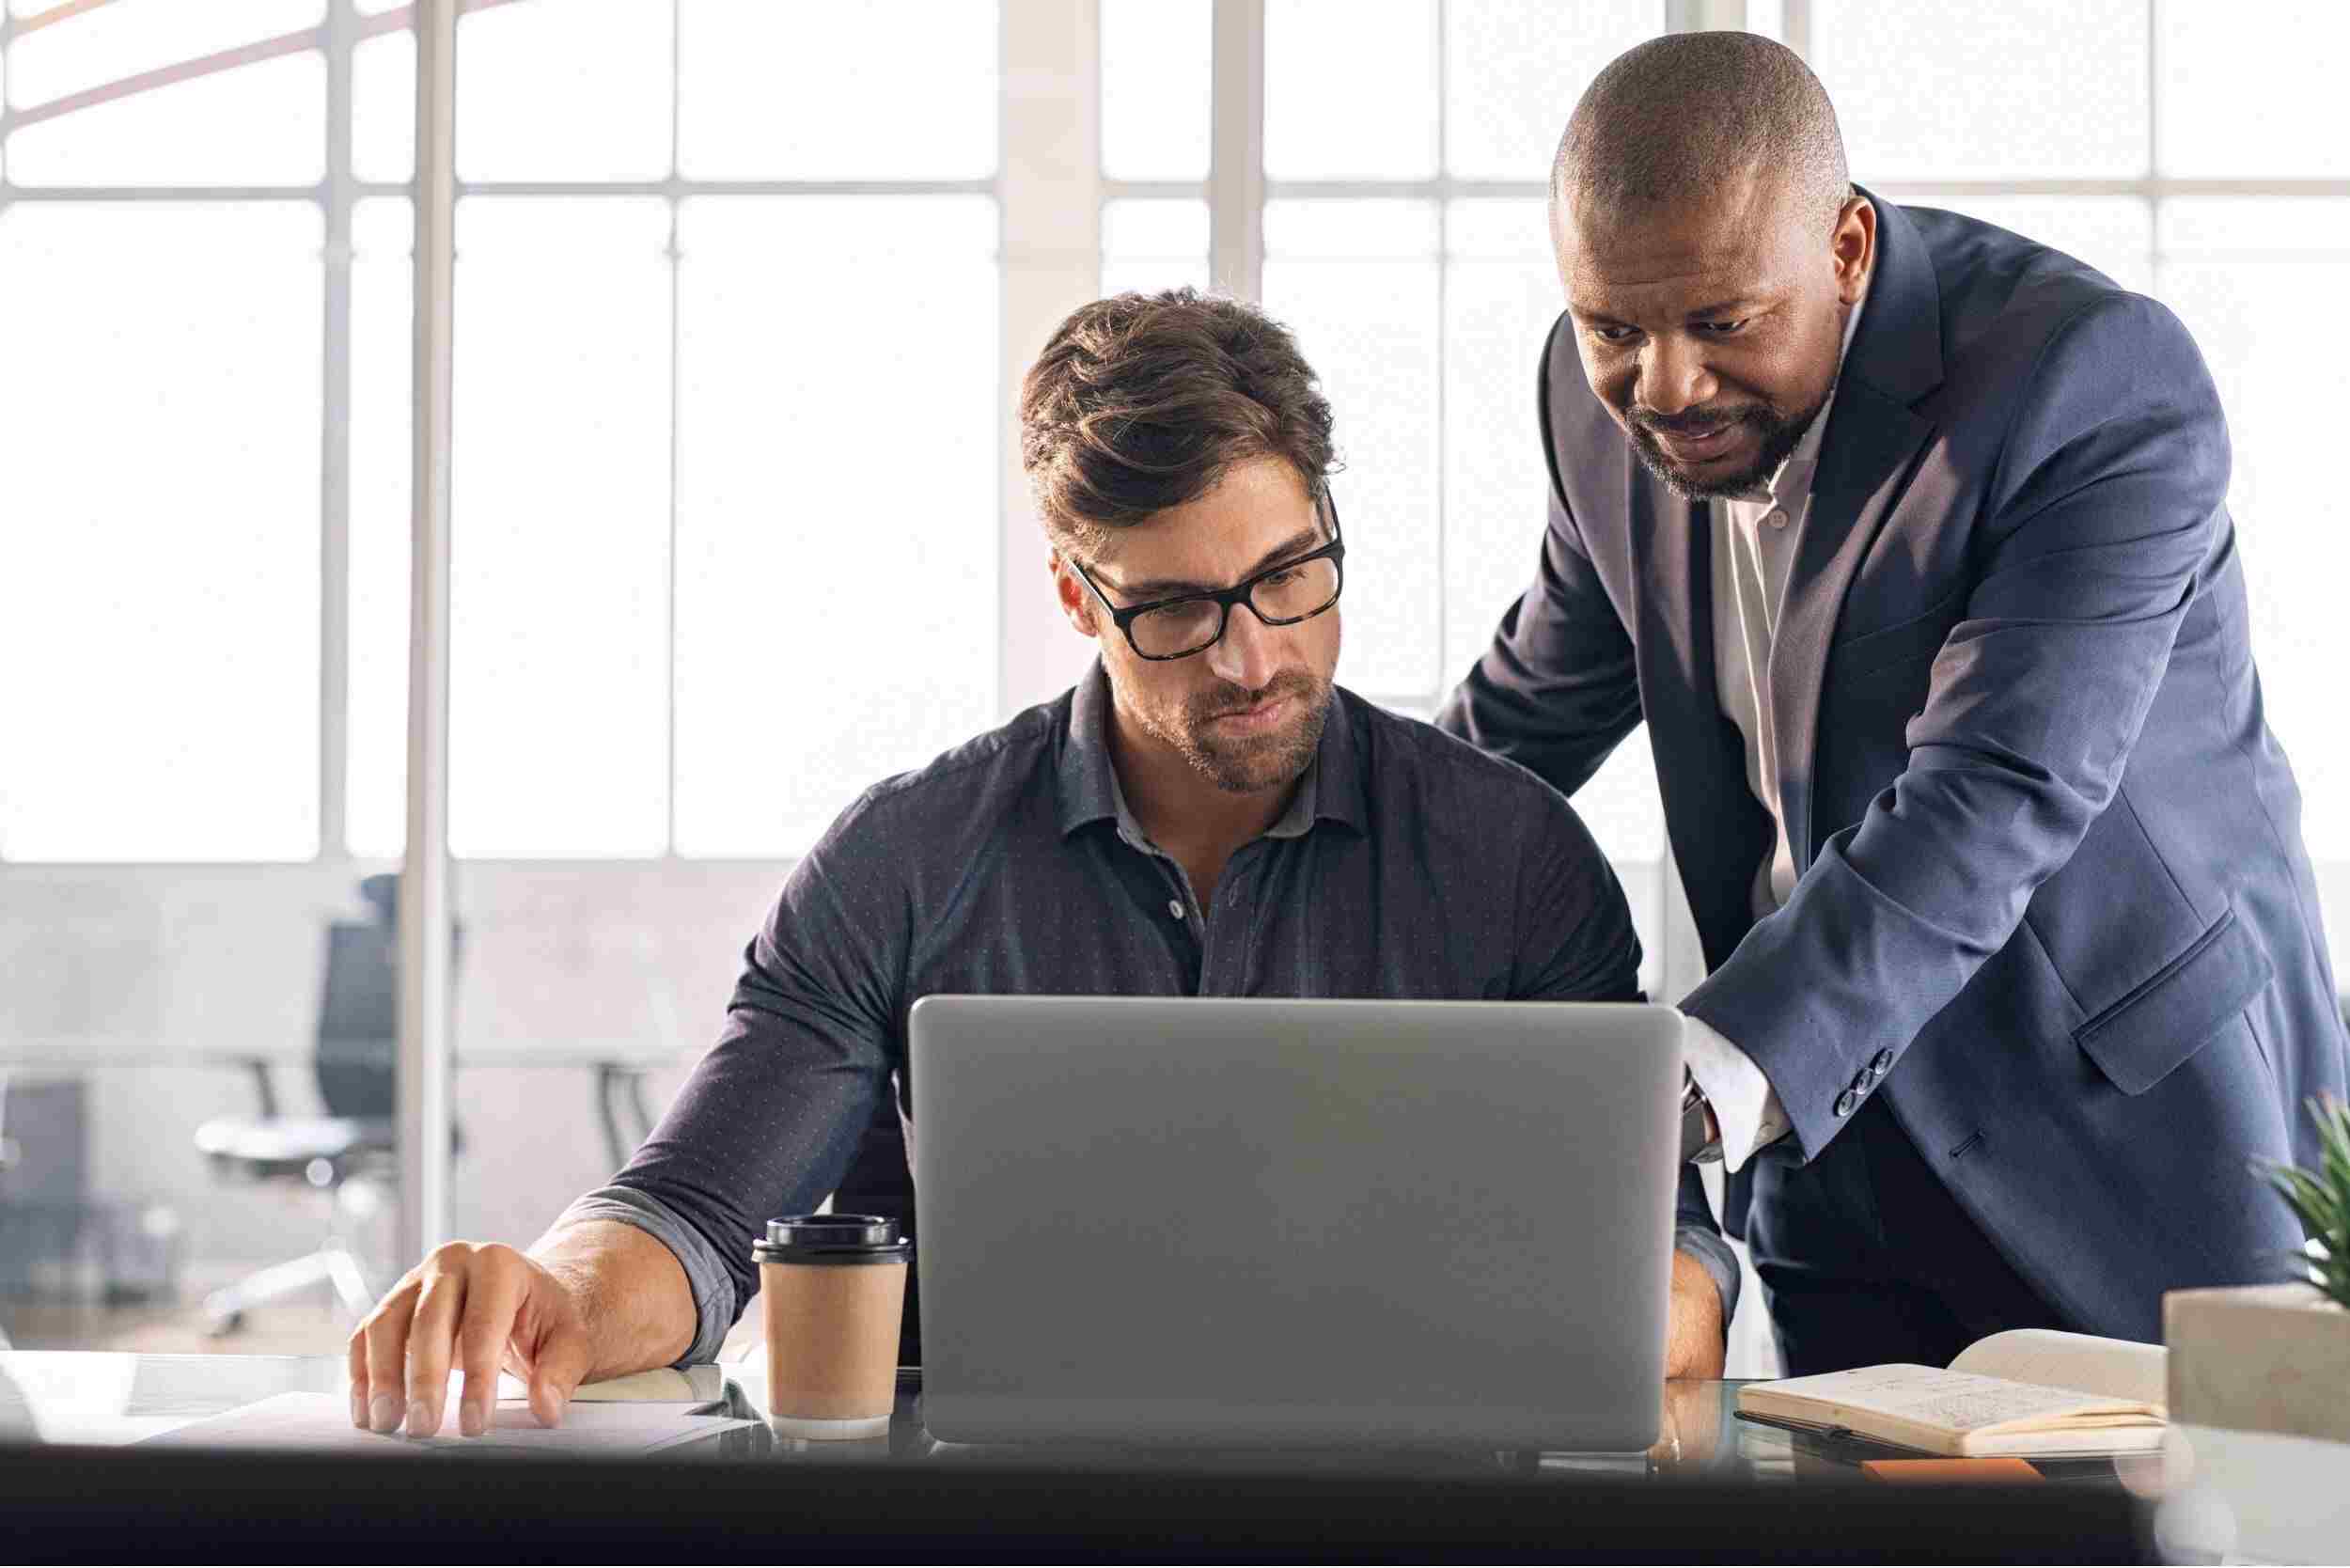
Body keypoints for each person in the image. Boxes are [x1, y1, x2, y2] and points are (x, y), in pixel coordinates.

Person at [348, 290, 1736, 1439]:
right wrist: (558, 1295)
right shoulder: (907, 859)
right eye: (1181, 609)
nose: (1257, 656)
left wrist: (1650, 1299)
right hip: (997, 1524)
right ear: (1080, 594)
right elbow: (698, 1214)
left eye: (1290, 576)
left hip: (1398, 1519)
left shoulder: (1512, 858)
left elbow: (1677, 1268)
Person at [1439, 32, 2349, 1375]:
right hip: (1826, 1145)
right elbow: (1517, 727)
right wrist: (1309, 862)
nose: (1666, 386)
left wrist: (1705, 1078)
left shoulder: (2090, 383)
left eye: (1722, 324)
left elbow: (1996, 791)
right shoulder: (1595, 410)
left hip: (2127, 1131)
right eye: (1613, 330)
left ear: (1850, 249)